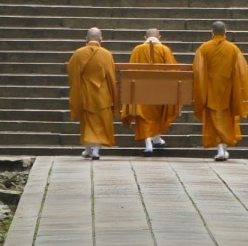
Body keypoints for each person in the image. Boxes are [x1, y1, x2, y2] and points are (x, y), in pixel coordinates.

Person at [192, 21, 248, 161]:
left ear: (212, 32)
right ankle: (222, 147)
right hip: (228, 90)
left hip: (210, 90)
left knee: (214, 119)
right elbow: (242, 71)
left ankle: (220, 148)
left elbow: (198, 71)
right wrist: (240, 88)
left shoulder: (203, 48)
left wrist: (200, 90)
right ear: (225, 32)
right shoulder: (233, 49)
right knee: (226, 118)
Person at [121, 28, 180, 155]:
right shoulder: (165, 50)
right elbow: (172, 71)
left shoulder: (137, 50)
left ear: (145, 37)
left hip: (141, 89)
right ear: (159, 37)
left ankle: (150, 144)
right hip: (160, 89)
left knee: (143, 116)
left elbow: (131, 70)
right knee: (158, 114)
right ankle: (157, 139)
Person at [66, 27, 117, 160]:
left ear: (86, 39)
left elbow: (72, 73)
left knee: (87, 122)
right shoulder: (106, 54)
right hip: (102, 93)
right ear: (101, 39)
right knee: (101, 122)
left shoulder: (78, 53)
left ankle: (88, 148)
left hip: (86, 92)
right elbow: (111, 76)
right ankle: (95, 151)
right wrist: (114, 93)